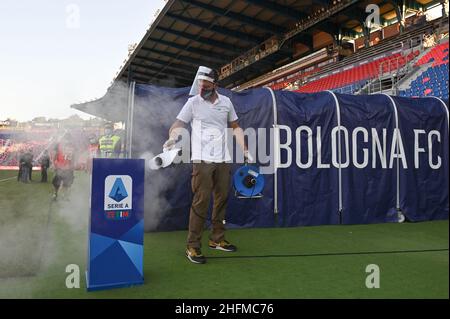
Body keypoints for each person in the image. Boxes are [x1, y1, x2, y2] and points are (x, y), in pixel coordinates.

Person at [164, 66, 252, 264]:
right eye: (200, 83)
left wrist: (245, 149)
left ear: (215, 84)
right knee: (201, 201)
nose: (202, 86)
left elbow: (236, 127)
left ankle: (217, 240)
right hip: (202, 160)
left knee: (222, 200)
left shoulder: (226, 102)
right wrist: (172, 138)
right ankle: (192, 246)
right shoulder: (193, 102)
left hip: (223, 159)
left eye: (206, 83)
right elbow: (177, 125)